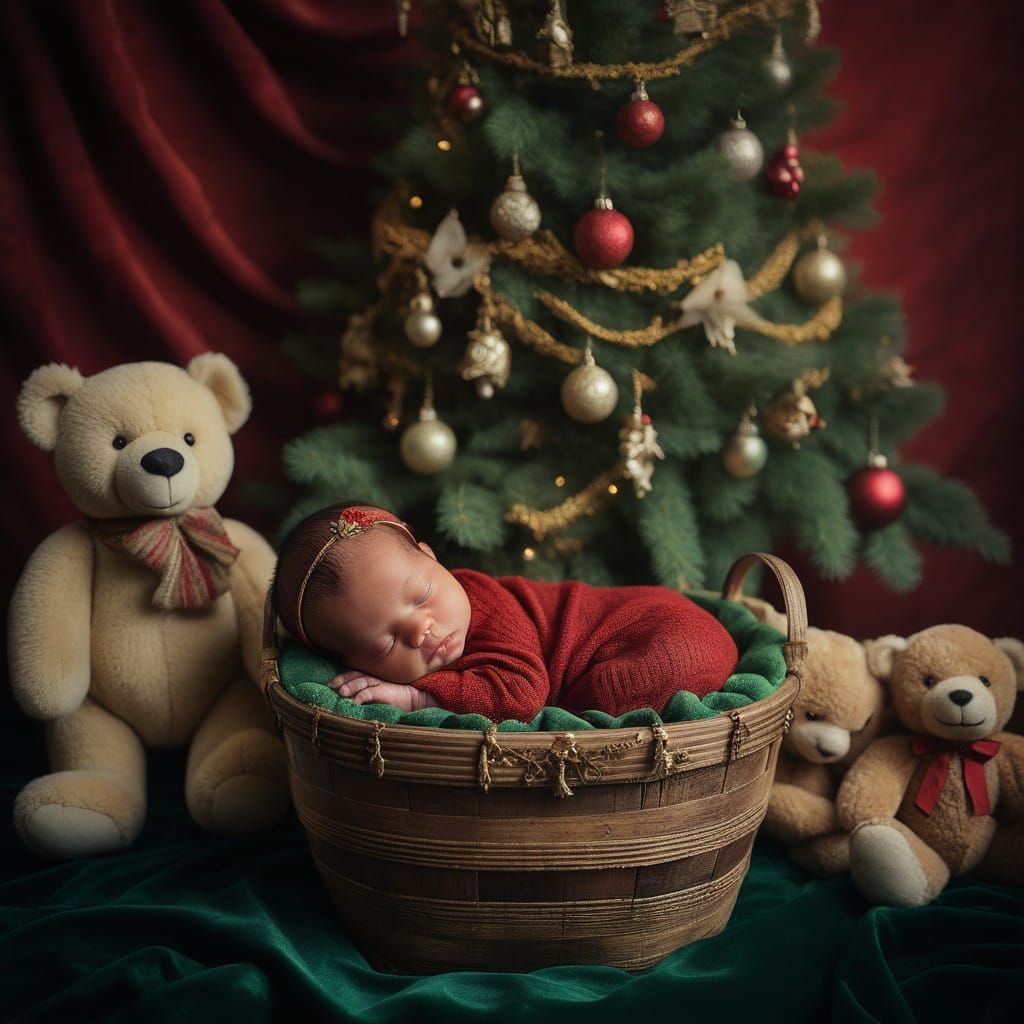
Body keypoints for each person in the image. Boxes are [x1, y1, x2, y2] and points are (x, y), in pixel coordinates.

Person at [273, 502, 739, 723]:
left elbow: (520, 694)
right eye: (385, 642)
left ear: (433, 558)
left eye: (421, 596)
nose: (420, 629)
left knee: (600, 706)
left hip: (665, 634)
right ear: (351, 663)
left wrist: (419, 699)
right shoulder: (434, 624)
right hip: (666, 632)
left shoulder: (485, 604)